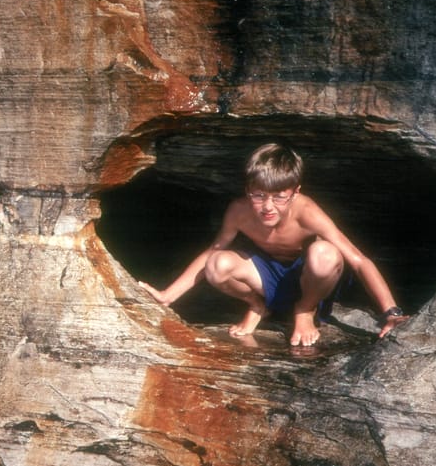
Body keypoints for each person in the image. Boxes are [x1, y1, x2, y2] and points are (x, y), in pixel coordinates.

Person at [139, 143, 408, 347]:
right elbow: (213, 250)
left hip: (311, 280)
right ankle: (258, 305)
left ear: (295, 192)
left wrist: (391, 313)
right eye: (259, 196)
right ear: (248, 190)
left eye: (280, 197)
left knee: (324, 253)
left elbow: (359, 260)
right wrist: (168, 296)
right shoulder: (239, 211)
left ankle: (305, 310)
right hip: (269, 277)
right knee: (217, 264)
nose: (268, 207)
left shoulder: (308, 212)